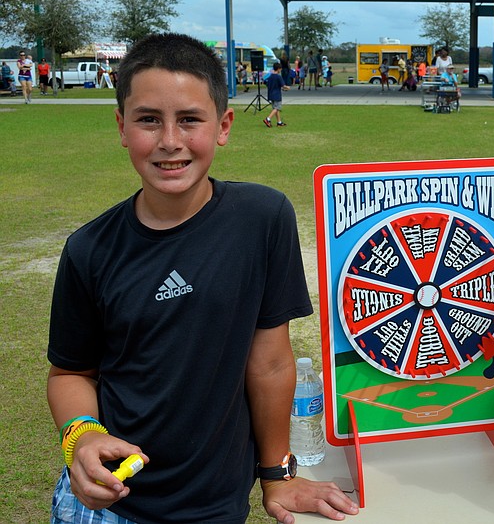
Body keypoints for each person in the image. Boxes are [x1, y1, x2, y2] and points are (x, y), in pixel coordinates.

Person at [46, 32, 359, 524]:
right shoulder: (89, 250)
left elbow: (271, 362)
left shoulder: (263, 218)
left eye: (189, 119)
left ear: (223, 126)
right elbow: (70, 373)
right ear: (122, 127)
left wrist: (277, 475)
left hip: (215, 504)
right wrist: (82, 436)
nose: (170, 141)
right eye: (149, 119)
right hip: (111, 501)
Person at [263, 61, 286, 128]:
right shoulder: (278, 77)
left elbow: (266, 83)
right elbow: (283, 85)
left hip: (270, 94)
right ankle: (268, 119)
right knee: (277, 108)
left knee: (275, 109)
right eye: (280, 69)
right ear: (278, 69)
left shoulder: (270, 76)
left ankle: (279, 122)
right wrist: (288, 87)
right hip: (277, 95)